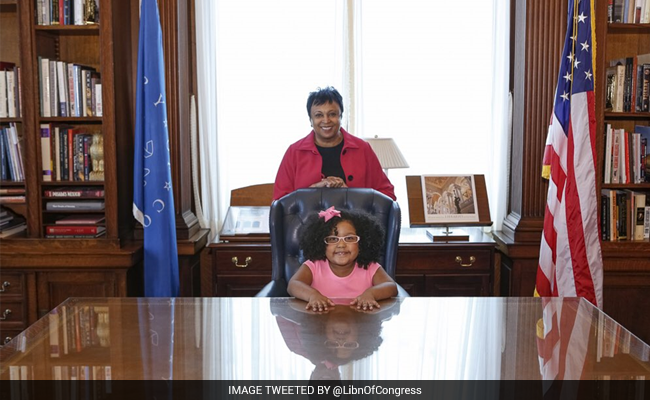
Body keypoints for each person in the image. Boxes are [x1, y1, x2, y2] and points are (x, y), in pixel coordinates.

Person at [273, 86, 396, 200]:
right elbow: (280, 202)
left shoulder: (362, 149)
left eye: (332, 114)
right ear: (310, 120)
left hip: (357, 221)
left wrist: (349, 193)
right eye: (318, 115)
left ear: (341, 116)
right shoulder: (294, 152)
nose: (326, 120)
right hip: (307, 222)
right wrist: (314, 189)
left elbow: (387, 195)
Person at [287, 206, 398, 311]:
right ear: (321, 243)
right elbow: (293, 285)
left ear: (362, 242)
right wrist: (312, 295)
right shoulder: (314, 265)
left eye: (349, 238)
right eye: (333, 239)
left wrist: (371, 294)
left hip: (361, 324)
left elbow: (391, 287)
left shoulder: (369, 266)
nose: (341, 245)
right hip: (320, 324)